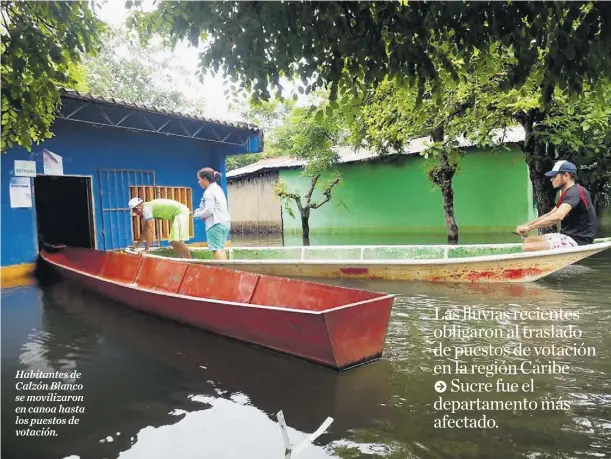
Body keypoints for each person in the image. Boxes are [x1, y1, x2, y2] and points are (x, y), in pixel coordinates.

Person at [516, 160, 597, 252]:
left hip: (578, 240)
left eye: (554, 176)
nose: (551, 179)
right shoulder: (566, 193)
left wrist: (530, 228)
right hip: (566, 235)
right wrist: (527, 225)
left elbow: (558, 216)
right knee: (528, 240)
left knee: (527, 248)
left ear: (566, 175)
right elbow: (550, 214)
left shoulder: (575, 192)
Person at [194, 167, 231, 260]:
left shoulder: (208, 192)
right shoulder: (218, 189)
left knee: (216, 249)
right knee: (221, 248)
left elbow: (209, 211)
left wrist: (197, 215)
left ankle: (222, 271)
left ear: (205, 179)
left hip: (215, 224)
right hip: (225, 222)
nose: (199, 182)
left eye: (199, 179)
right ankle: (226, 270)